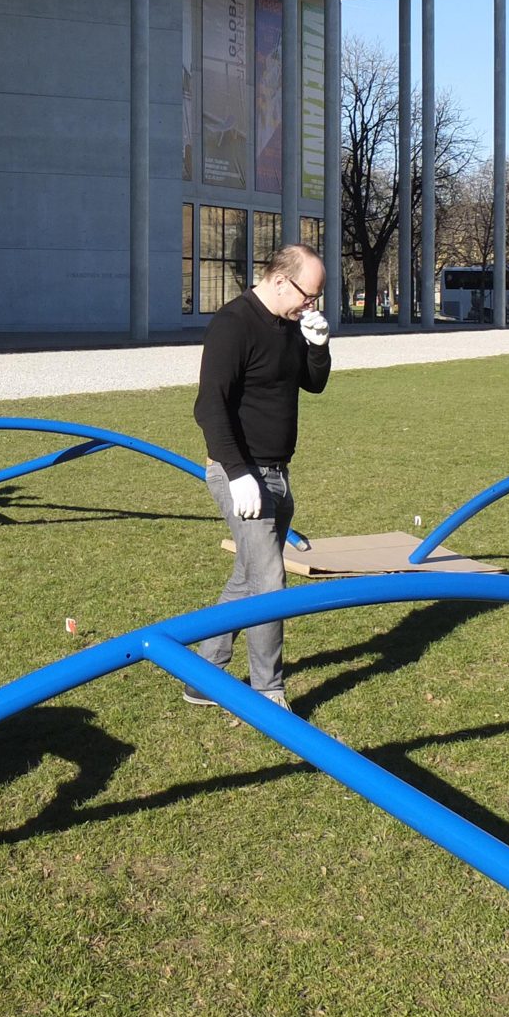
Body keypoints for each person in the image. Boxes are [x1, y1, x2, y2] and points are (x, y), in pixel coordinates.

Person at [188, 242, 332, 710]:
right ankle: (267, 692)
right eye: (307, 297)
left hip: (278, 473)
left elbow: (312, 383)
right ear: (277, 279)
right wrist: (236, 473)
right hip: (241, 475)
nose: (309, 306)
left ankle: (201, 676)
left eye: (315, 300)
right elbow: (209, 406)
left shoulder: (289, 326)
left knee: (248, 577)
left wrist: (318, 345)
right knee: (269, 583)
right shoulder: (233, 324)